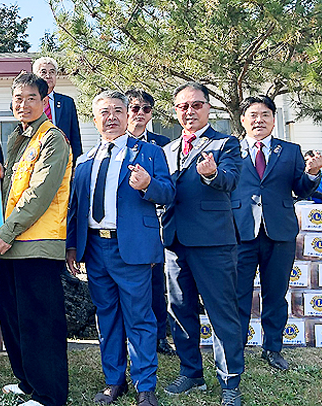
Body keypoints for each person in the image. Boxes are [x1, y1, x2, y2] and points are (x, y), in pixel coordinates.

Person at [67, 90, 174, 406]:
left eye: (117, 110)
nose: (111, 117)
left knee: (139, 317)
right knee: (107, 317)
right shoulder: (84, 160)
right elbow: (75, 208)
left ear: (128, 116)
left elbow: (168, 193)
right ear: (94, 119)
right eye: (104, 111)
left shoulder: (149, 153)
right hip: (95, 249)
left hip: (131, 248)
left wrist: (148, 185)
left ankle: (145, 386)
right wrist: (72, 247)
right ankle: (114, 381)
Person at [0, 73, 72, 406]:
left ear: (44, 101)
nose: (23, 104)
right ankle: (28, 381)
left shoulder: (52, 138)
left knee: (40, 321)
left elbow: (39, 194)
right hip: (13, 245)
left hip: (37, 244)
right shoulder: (20, 137)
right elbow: (11, 191)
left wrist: (6, 231)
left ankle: (49, 394)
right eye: (18, 98)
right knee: (15, 318)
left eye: (31, 98)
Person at [161, 82, 244, 406]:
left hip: (213, 243)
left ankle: (230, 382)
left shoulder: (225, 143)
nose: (190, 111)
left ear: (208, 108)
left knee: (222, 314)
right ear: (176, 111)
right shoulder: (168, 150)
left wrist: (211, 174)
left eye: (196, 105)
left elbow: (230, 179)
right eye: (183, 106)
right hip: (174, 243)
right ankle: (191, 372)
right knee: (180, 311)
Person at [232, 95, 322, 370]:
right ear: (243, 120)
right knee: (238, 294)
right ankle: (234, 350)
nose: (259, 120)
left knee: (275, 294)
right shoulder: (230, 150)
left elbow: (301, 189)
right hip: (240, 232)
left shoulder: (290, 150)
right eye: (253, 115)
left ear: (273, 120)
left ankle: (273, 348)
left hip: (279, 232)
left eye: (265, 115)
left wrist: (312, 174)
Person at [124, 88, 176, 356]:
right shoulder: (114, 141)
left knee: (156, 283)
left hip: (155, 220)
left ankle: (159, 336)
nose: (140, 114)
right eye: (135, 108)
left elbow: (169, 185)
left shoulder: (162, 144)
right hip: (123, 224)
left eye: (146, 109)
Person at [33, 57, 82, 160]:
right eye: (43, 72)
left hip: (62, 159)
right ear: (36, 76)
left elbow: (75, 137)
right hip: (35, 157)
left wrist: (77, 163)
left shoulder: (67, 102)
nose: (48, 76)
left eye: (52, 72)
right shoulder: (29, 101)